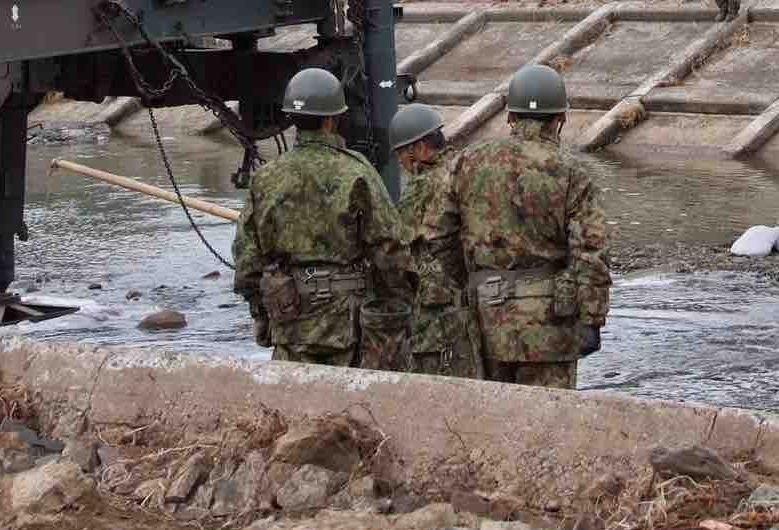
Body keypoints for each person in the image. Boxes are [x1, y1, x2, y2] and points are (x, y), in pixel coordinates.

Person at [419, 64, 611, 388]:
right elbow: (591, 251)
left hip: (483, 323)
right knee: (547, 425)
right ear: (560, 119)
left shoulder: (467, 162)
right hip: (550, 328)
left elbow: (436, 235)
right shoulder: (572, 172)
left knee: (490, 424)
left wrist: (469, 281)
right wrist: (592, 319)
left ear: (510, 117)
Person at [232, 67, 412, 367]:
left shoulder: (266, 178)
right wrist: (398, 305)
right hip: (348, 324)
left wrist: (261, 313)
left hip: (289, 321)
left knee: (293, 404)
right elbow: (390, 249)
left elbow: (247, 260)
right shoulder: (356, 172)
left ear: (291, 117)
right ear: (332, 120)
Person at [391, 103, 484, 380]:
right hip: (479, 296)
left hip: (438, 308)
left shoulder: (423, 185)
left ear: (419, 148)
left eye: (401, 154)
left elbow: (400, 244)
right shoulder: (469, 169)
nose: (399, 163)